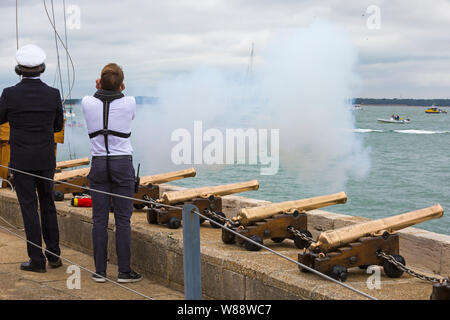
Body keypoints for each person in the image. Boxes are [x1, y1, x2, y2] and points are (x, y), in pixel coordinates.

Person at [0, 44, 64, 273]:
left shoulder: (9, 94)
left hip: (22, 161)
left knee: (29, 208)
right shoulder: (53, 94)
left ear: (19, 69)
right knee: (48, 204)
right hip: (46, 160)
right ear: (42, 68)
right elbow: (57, 126)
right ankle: (54, 255)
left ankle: (37, 260)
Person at [82, 63, 142, 283]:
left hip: (98, 164)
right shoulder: (130, 102)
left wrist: (101, 88)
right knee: (123, 220)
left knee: (99, 219)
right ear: (121, 84)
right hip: (121, 163)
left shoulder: (87, 102)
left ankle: (100, 271)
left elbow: (96, 97)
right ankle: (124, 271)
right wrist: (115, 88)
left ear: (99, 82)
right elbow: (127, 111)